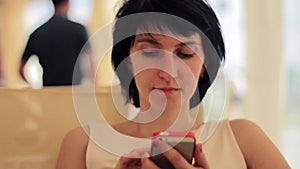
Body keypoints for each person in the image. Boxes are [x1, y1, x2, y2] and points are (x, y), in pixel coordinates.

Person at [56, 0, 291, 169]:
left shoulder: (244, 139)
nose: (168, 71)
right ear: (127, 62)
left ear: (204, 68)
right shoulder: (83, 144)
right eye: (149, 51)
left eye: (185, 53)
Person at [19, 0, 93, 86]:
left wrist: (34, 87)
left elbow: (21, 68)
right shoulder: (78, 29)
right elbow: (91, 60)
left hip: (50, 92)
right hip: (74, 91)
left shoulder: (37, 33)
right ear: (68, 3)